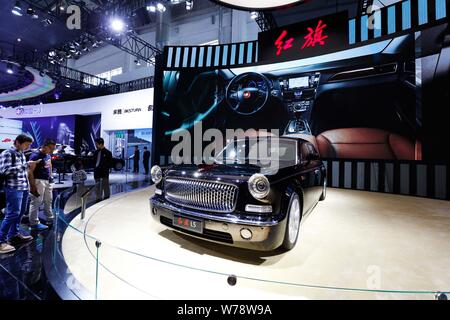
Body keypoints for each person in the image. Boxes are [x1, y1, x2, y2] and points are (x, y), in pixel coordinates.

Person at [0, 135, 41, 255]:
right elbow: (4, 171)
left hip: (23, 188)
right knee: (12, 214)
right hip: (13, 188)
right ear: (17, 142)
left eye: (29, 145)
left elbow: (23, 172)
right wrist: (25, 165)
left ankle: (14, 235)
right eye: (26, 145)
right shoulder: (7, 153)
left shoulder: (21, 153)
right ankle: (1, 241)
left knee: (21, 213)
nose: (27, 147)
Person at [28, 139, 57, 231]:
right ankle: (34, 223)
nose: (52, 151)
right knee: (36, 201)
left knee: (49, 200)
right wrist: (32, 186)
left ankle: (49, 218)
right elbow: (30, 171)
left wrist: (51, 175)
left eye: (53, 149)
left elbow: (50, 164)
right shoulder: (35, 155)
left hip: (47, 180)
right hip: (38, 180)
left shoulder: (48, 154)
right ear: (44, 147)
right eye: (51, 149)